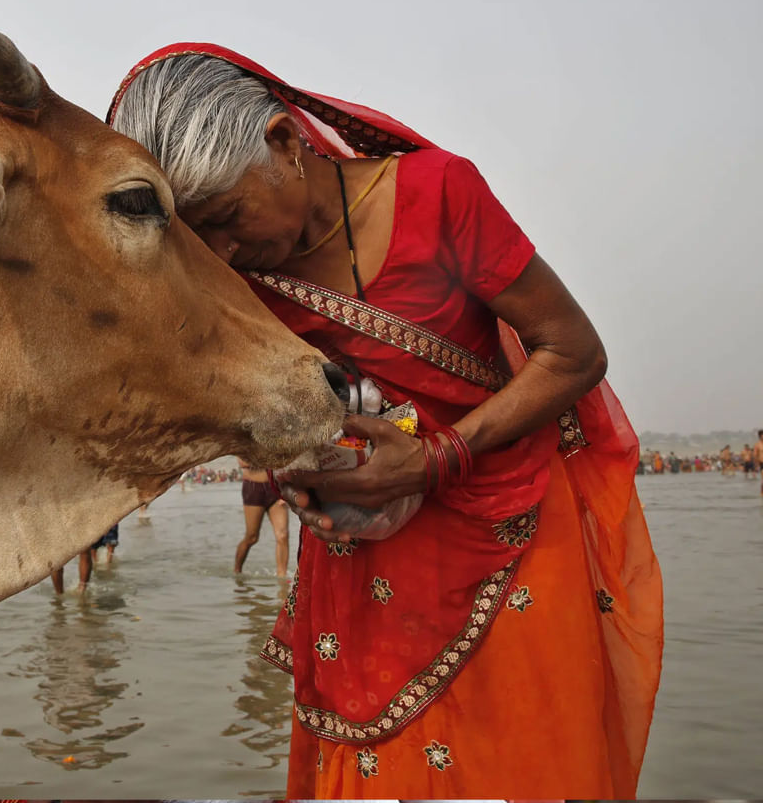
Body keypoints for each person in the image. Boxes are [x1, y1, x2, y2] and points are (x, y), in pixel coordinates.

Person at [107, 44, 662, 798]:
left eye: (229, 218)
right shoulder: (238, 279)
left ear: (282, 142)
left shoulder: (440, 196)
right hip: (362, 549)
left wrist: (435, 460)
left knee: (518, 760)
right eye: (203, 238)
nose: (225, 252)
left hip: (512, 523)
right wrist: (295, 475)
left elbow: (572, 353)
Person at [235, 457, 290, 577]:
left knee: (283, 535)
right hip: (253, 488)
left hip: (277, 488)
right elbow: (243, 462)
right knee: (252, 537)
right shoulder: (249, 438)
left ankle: (282, 578)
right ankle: (237, 571)